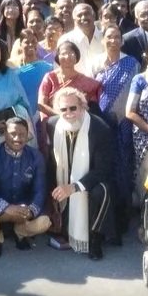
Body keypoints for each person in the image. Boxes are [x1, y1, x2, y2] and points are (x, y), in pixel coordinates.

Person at [43, 87, 117, 258]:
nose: (68, 113)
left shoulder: (100, 128)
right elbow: (52, 163)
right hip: (65, 179)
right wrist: (55, 189)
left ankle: (95, 238)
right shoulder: (53, 124)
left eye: (73, 108)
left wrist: (75, 187)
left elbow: (103, 169)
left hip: (93, 180)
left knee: (102, 191)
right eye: (63, 109)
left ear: (83, 107)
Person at [0, 118, 50, 258]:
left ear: (27, 135)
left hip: (23, 210)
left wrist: (31, 210)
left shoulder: (35, 156)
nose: (17, 138)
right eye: (13, 133)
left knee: (45, 222)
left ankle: (21, 232)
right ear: (5, 134)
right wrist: (5, 207)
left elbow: (40, 189)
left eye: (22, 134)